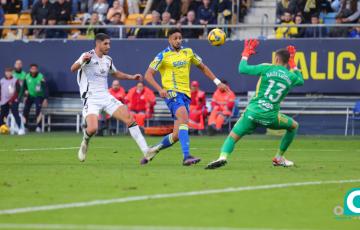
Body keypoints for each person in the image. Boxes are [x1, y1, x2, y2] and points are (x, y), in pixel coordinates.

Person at [205, 40, 304, 169]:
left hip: (252, 113)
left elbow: (242, 68)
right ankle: (279, 158)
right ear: (287, 61)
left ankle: (222, 157)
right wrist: (293, 63)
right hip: (271, 117)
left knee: (232, 137)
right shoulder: (291, 77)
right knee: (294, 126)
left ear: (276, 58)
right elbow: (301, 81)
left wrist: (246, 53)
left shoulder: (267, 67)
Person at [144, 28, 228, 166]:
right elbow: (148, 75)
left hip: (185, 94)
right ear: (169, 40)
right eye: (175, 38)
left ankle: (153, 149)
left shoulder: (188, 52)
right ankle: (186, 156)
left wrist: (217, 82)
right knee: (184, 119)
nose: (178, 40)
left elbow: (203, 67)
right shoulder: (162, 55)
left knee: (177, 135)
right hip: (172, 92)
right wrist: (160, 89)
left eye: (180, 38)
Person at [70, 33, 154, 162]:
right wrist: (82, 61)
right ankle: (85, 141)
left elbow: (115, 73)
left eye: (109, 43)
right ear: (98, 44)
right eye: (105, 44)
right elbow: (73, 68)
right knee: (92, 129)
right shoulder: (87, 56)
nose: (108, 46)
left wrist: (131, 77)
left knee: (129, 118)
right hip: (91, 99)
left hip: (106, 97)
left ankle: (146, 151)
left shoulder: (108, 59)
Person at [22, 64, 49, 133]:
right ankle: (25, 126)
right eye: (32, 69)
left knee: (38, 109)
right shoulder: (27, 76)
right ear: (30, 69)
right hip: (30, 96)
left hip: (38, 96)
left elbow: (45, 88)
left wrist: (45, 99)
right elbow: (24, 87)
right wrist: (25, 95)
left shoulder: (40, 77)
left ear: (37, 69)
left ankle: (38, 126)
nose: (33, 70)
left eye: (35, 69)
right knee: (25, 110)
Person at [0, 67, 24, 135]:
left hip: (13, 101)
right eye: (7, 72)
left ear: (12, 72)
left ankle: (20, 129)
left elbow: (17, 91)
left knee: (15, 114)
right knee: (2, 115)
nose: (8, 73)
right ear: (5, 73)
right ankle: (3, 129)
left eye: (9, 72)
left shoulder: (15, 80)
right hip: (4, 101)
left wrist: (11, 100)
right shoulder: (1, 81)